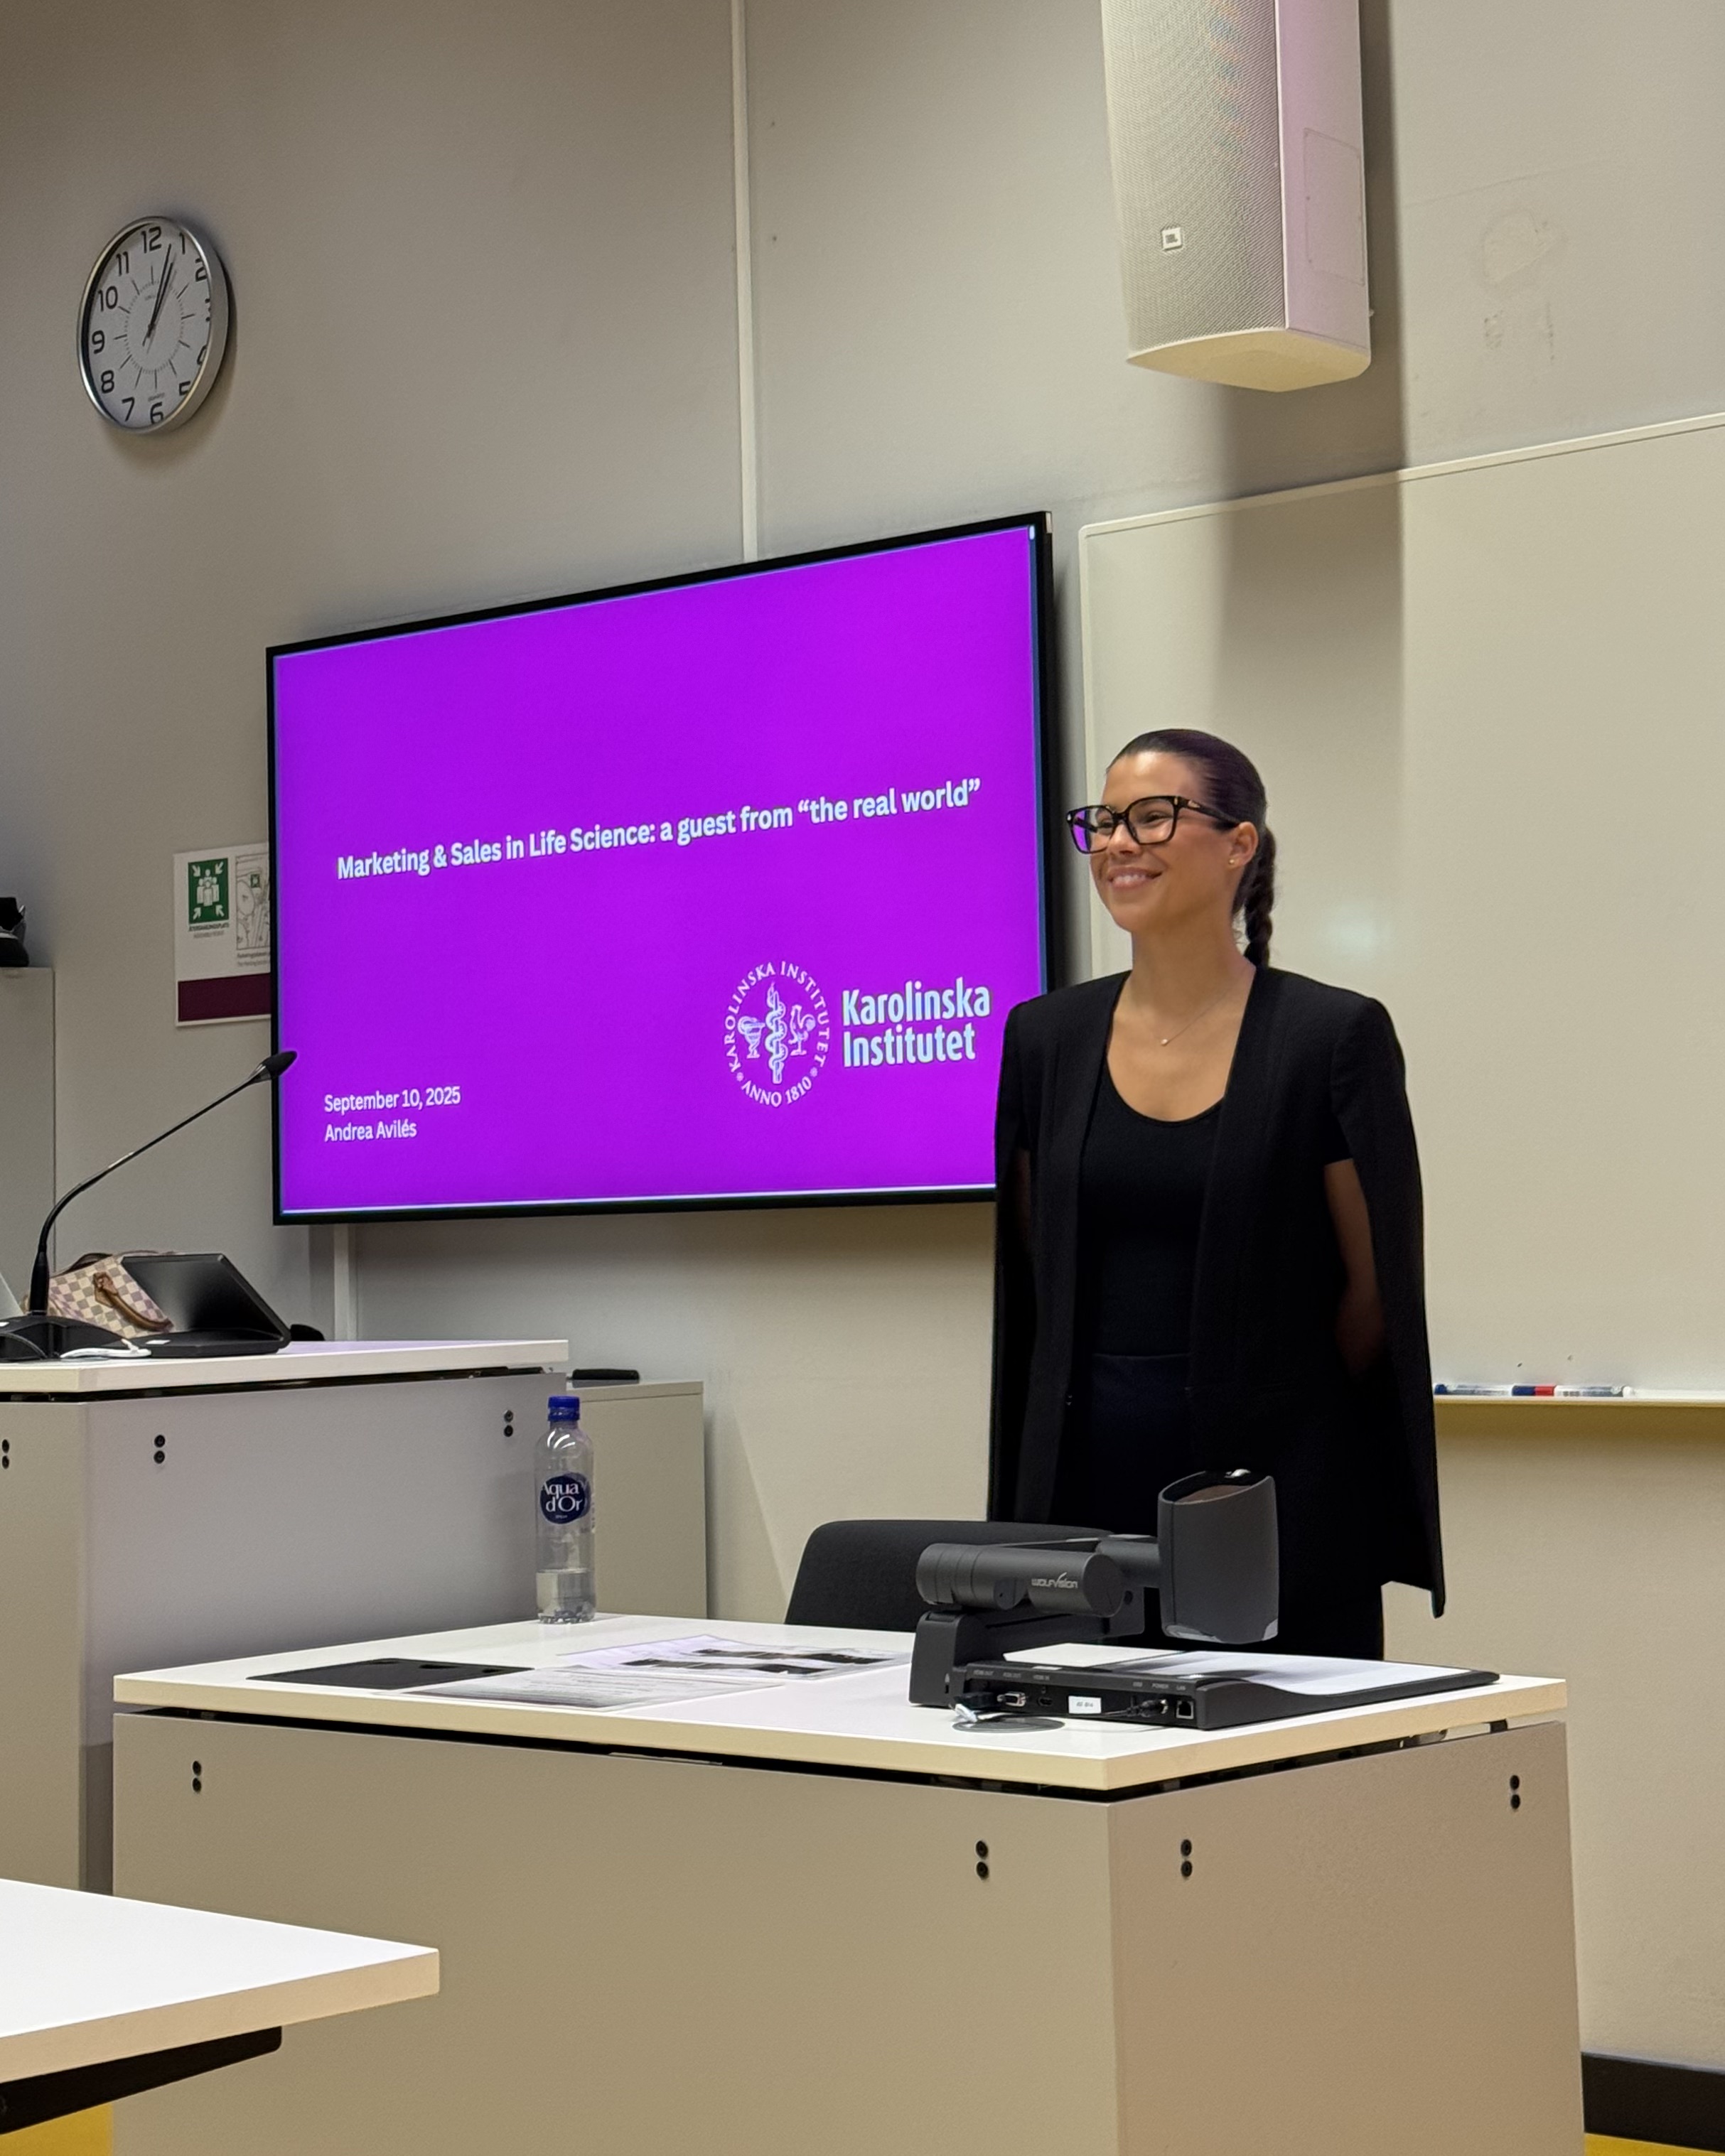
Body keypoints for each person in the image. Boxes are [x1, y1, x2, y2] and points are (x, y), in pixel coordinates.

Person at [989, 728, 1441, 1656]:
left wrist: (1266, 1395)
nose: (1119, 842)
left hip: (1276, 1504)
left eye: (1153, 817)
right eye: (1104, 821)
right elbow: (1040, 1277)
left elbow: (1374, 1294)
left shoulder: (1329, 1036)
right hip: (1078, 1514)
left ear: (1240, 844)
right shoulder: (1045, 1037)